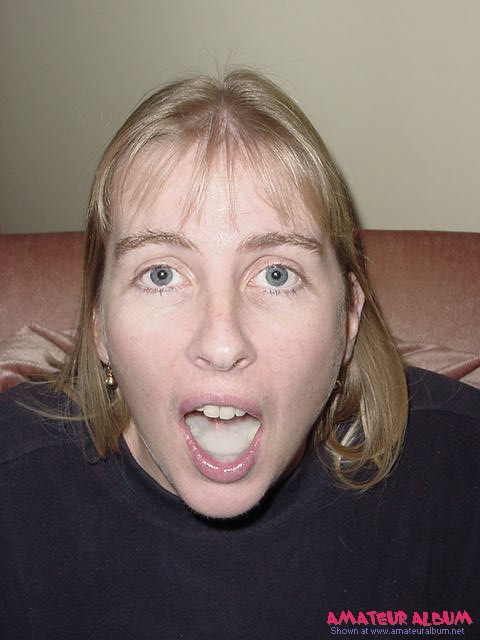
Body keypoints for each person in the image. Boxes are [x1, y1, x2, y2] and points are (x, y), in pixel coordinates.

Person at [0, 69, 478, 639]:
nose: (222, 344)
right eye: (161, 274)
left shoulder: (459, 479)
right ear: (99, 324)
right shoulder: (14, 495)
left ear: (349, 316)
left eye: (277, 275)